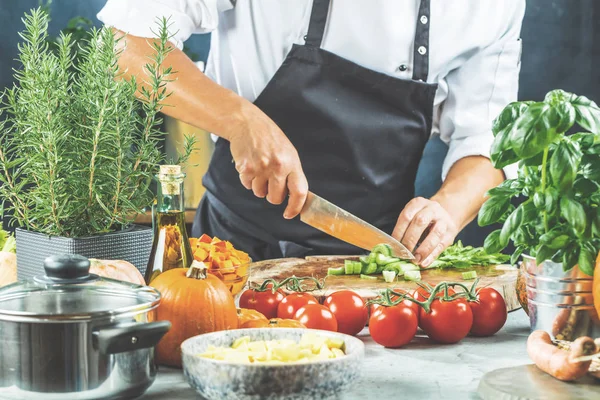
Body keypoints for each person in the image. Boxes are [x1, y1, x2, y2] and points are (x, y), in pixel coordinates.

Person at [98, 0, 525, 266]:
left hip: (370, 270)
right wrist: (240, 120)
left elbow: (489, 142)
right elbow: (126, 45)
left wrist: (447, 210)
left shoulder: (491, 6)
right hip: (230, 251)